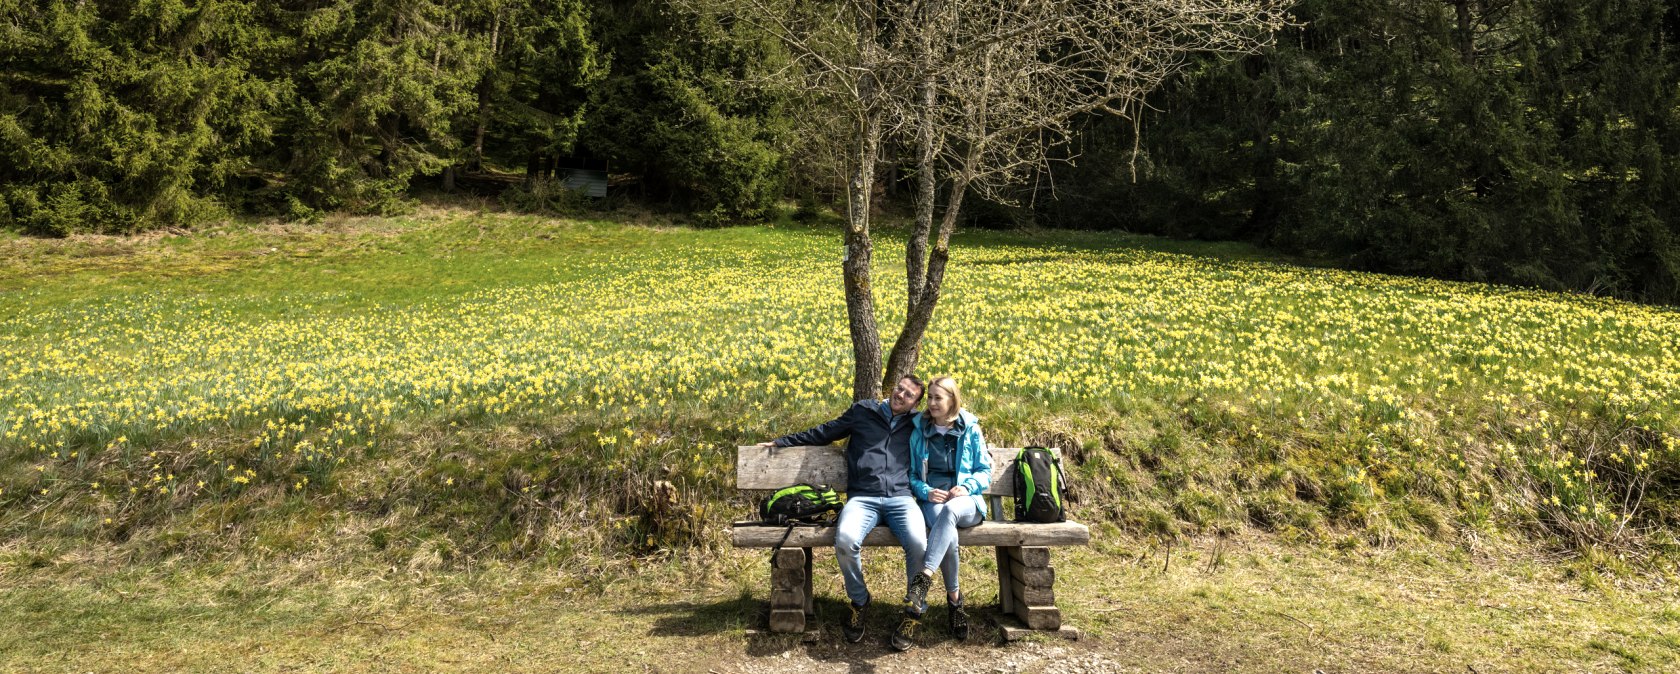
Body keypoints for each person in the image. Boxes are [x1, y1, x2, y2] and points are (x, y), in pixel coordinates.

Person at [756, 375, 930, 650]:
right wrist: (781, 442)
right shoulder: (864, 411)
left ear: (916, 404)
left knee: (920, 544)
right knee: (846, 541)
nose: (901, 395)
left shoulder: (918, 423)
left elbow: (951, 416)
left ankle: (915, 608)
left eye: (909, 395)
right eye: (899, 388)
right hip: (863, 499)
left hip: (901, 499)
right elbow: (826, 431)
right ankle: (859, 601)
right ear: (892, 388)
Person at [905, 376, 991, 641]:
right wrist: (926, 491)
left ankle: (924, 578)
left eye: (937, 398)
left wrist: (967, 487)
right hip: (933, 502)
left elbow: (985, 470)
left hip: (966, 502)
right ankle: (955, 600)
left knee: (951, 512)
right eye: (929, 397)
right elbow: (911, 475)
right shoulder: (919, 429)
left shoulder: (970, 429)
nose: (931, 403)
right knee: (948, 530)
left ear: (952, 399)